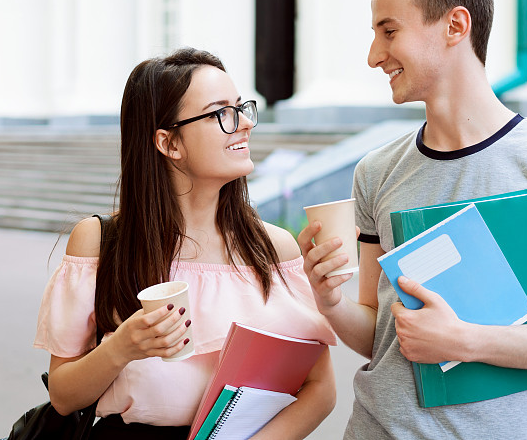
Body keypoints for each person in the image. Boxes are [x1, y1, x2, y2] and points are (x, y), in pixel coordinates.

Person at [298, 0, 527, 439]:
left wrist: (466, 341)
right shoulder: (376, 172)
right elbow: (381, 336)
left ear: (455, 25)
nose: (373, 55)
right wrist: (330, 302)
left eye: (388, 31)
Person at [34, 48, 337, 439]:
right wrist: (121, 347)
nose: (244, 123)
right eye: (221, 113)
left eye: (241, 108)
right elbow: (63, 396)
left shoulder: (275, 248)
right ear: (168, 143)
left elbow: (321, 389)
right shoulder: (101, 242)